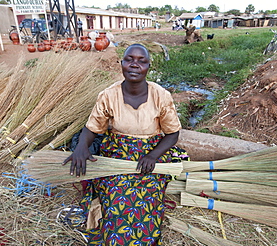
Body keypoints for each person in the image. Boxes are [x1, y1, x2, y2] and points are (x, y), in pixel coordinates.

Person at [63, 43, 188, 245]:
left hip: (151, 154)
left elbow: (172, 134)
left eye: (141, 61)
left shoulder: (161, 96)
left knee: (148, 196)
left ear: (149, 66)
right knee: (116, 195)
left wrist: (153, 156)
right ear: (121, 64)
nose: (134, 65)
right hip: (117, 152)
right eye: (129, 59)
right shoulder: (108, 95)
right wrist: (81, 147)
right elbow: (92, 129)